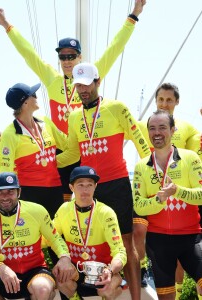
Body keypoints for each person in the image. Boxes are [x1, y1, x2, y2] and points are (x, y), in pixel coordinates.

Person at [0, 0, 146, 202]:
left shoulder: (93, 74)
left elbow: (115, 47)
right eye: (62, 57)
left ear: (80, 57)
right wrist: (7, 26)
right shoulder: (52, 79)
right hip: (60, 151)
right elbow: (28, 54)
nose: (67, 61)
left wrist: (134, 15)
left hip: (85, 147)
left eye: (71, 56)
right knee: (64, 206)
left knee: (89, 202)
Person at [57, 62, 151, 300]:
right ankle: (103, 286)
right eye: (78, 85)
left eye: (87, 84)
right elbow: (72, 154)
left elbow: (141, 143)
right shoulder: (75, 116)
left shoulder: (116, 108)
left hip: (117, 184)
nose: (83, 90)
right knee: (94, 238)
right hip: (90, 188)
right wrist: (44, 160)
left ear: (97, 82)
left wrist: (153, 175)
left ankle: (136, 297)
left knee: (127, 242)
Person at [134, 83, 201, 289]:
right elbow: (139, 205)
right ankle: (142, 268)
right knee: (136, 227)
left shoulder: (189, 153)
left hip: (189, 234)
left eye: (163, 128)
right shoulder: (141, 164)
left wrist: (177, 190)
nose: (157, 132)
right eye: (152, 129)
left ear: (173, 130)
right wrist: (159, 199)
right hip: (158, 237)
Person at [0, 172, 75, 300]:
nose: (5, 197)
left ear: (19, 192)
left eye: (10, 191)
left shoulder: (36, 211)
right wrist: (1, 268)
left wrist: (64, 257)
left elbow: (55, 238)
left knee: (42, 289)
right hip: (2, 273)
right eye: (0, 192)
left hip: (34, 271)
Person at [52, 166, 127, 300]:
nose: (85, 190)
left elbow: (120, 251)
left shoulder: (106, 212)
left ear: (95, 186)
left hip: (103, 271)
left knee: (108, 291)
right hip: (76, 271)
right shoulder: (64, 210)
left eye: (89, 185)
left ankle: (116, 290)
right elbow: (49, 238)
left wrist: (110, 270)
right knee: (61, 278)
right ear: (71, 187)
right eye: (80, 185)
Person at [0, 82, 67, 219]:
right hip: (29, 191)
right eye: (33, 95)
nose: (36, 97)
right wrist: (5, 198)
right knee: (34, 236)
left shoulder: (45, 122)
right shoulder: (9, 133)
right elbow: (6, 169)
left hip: (55, 188)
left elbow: (67, 144)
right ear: (25, 103)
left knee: (58, 234)